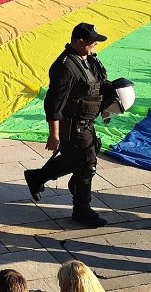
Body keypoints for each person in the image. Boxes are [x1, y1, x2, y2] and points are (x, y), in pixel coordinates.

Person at [23, 23, 113, 228]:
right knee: (86, 166)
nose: (96, 46)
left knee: (78, 159)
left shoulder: (89, 60)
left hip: (87, 121)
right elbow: (54, 103)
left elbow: (99, 85)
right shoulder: (65, 67)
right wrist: (54, 135)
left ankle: (37, 177)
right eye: (92, 42)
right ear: (80, 43)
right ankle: (82, 210)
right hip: (72, 125)